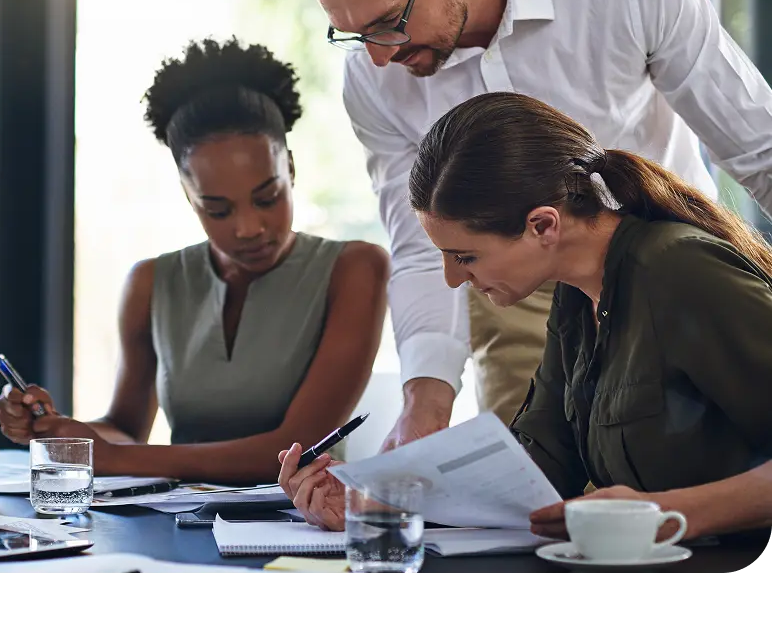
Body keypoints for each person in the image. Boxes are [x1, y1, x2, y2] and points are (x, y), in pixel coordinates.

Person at [292, 0, 772, 450]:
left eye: (388, 24)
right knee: (524, 490)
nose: (376, 58)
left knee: (687, 464)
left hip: (663, 267)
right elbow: (424, 246)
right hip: (502, 282)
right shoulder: (374, 77)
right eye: (350, 34)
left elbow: (758, 146)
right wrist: (423, 405)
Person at [277, 92, 772, 542]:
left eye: (465, 257)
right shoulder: (577, 296)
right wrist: (377, 503)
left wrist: (666, 513)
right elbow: (541, 467)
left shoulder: (679, 269)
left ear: (542, 225)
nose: (452, 279)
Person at [0, 39, 389, 484]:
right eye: (218, 209)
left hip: (302, 528)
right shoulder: (151, 282)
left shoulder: (355, 269)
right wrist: (61, 431)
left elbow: (294, 449)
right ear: (188, 195)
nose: (248, 227)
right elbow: (125, 432)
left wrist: (112, 459)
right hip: (176, 523)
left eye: (267, 197)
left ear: (291, 169)